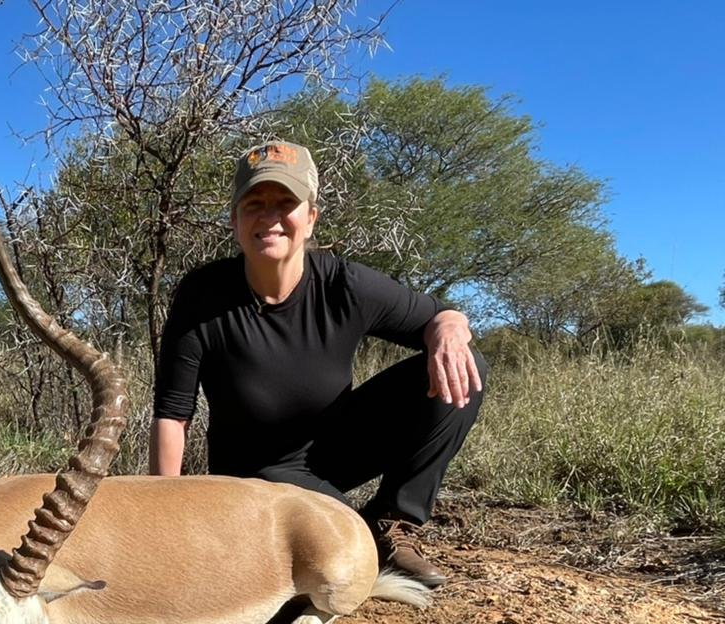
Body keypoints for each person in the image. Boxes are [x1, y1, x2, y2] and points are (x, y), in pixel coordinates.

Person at [150, 140, 488, 587]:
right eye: (254, 203)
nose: (270, 216)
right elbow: (173, 417)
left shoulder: (345, 284)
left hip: (336, 446)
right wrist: (165, 523)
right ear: (234, 220)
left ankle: (394, 521)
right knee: (343, 550)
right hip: (258, 474)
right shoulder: (201, 296)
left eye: (285, 202)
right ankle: (363, 536)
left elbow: (441, 315)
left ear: (310, 218)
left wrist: (447, 329)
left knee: (467, 363)